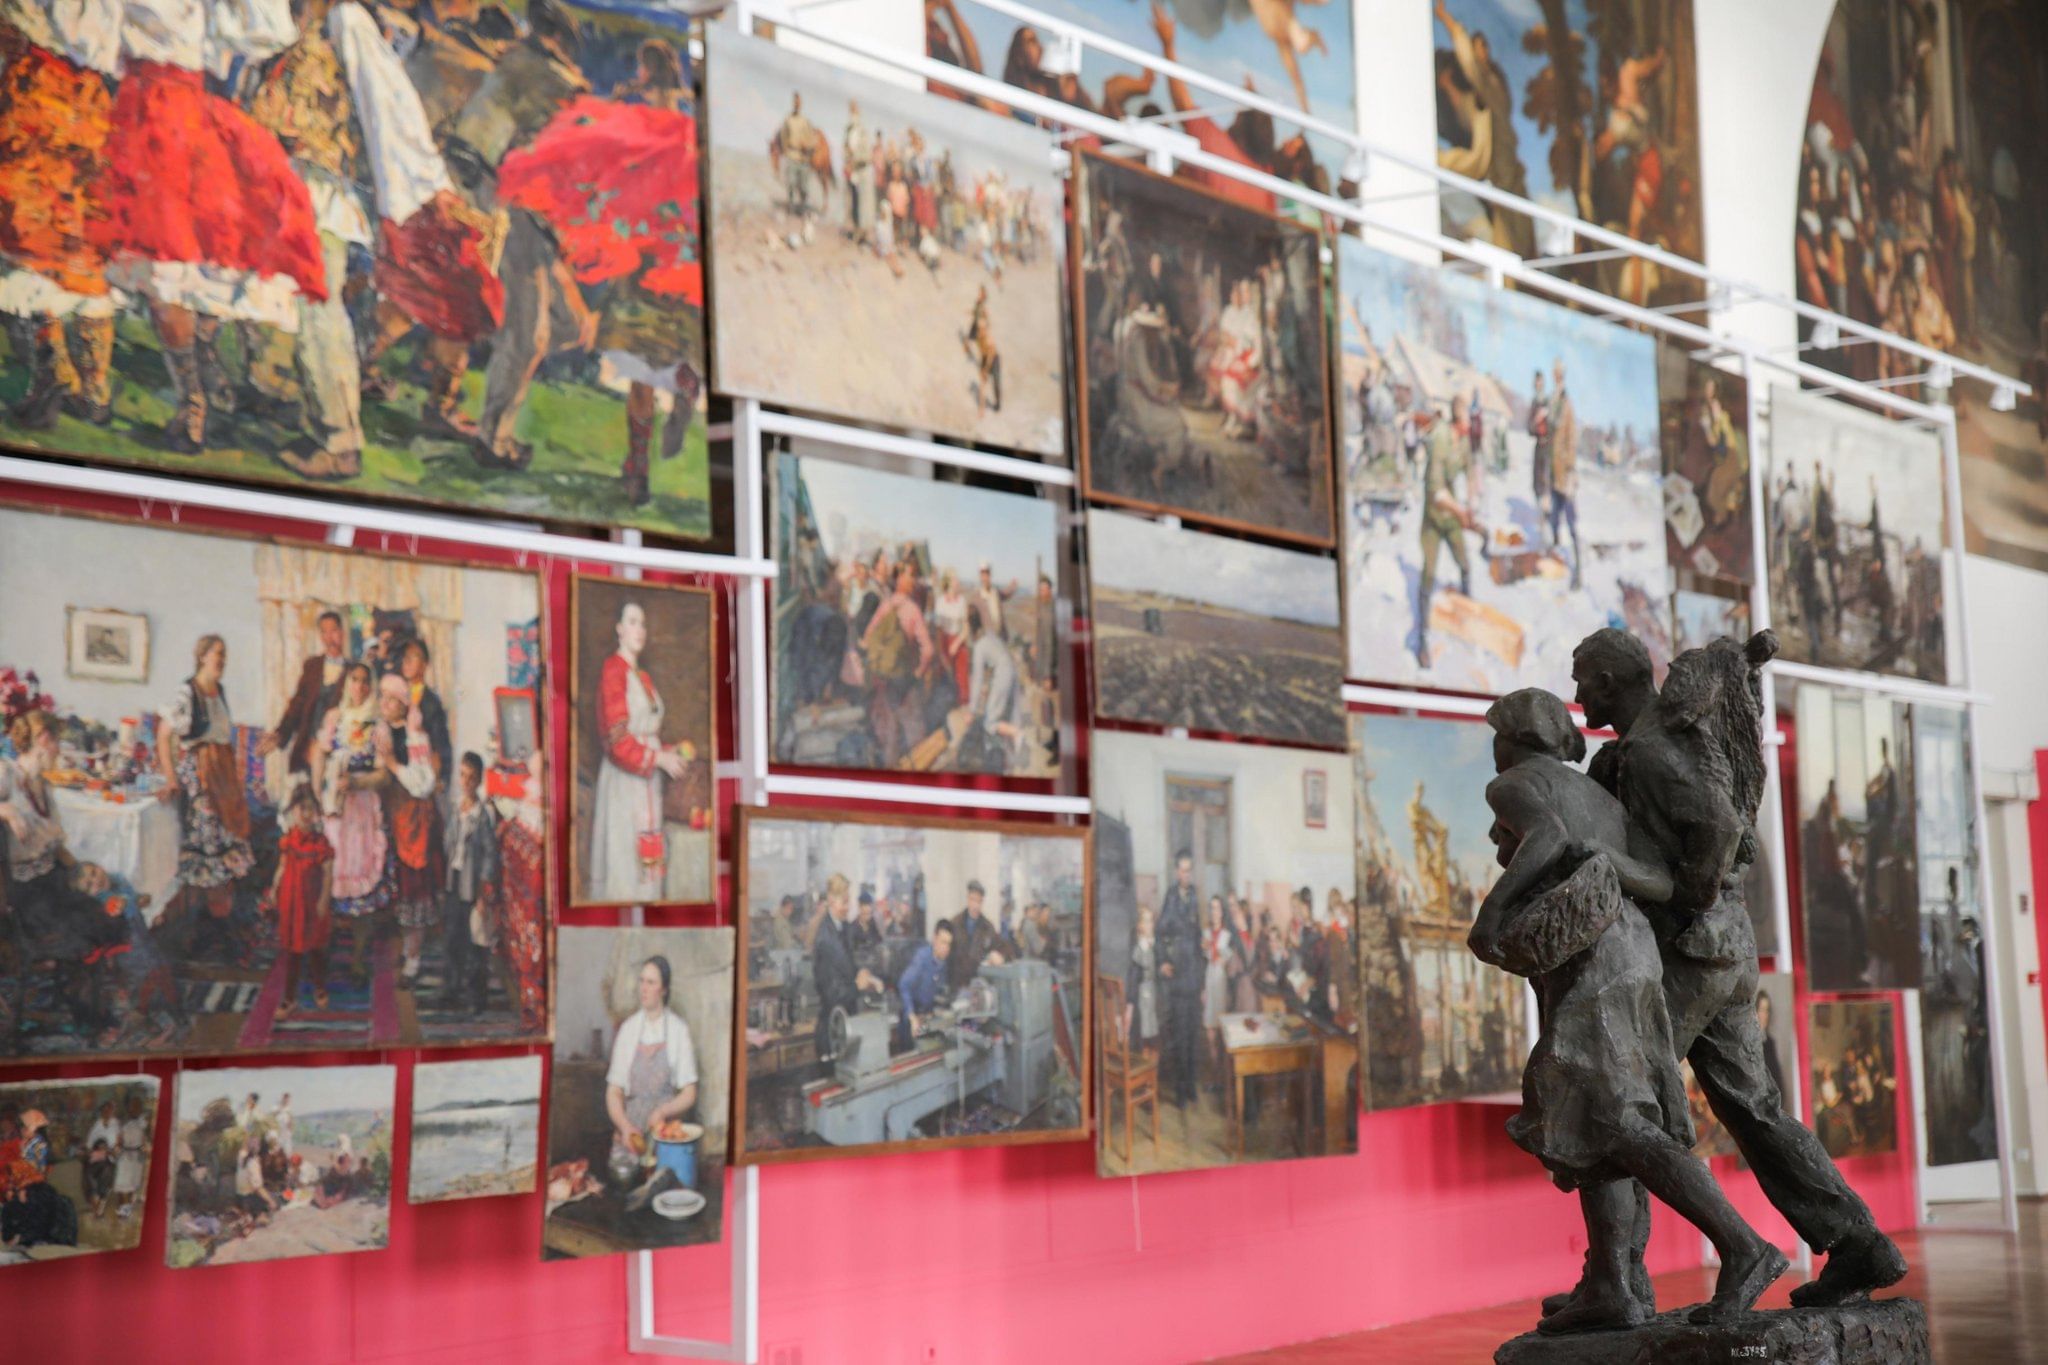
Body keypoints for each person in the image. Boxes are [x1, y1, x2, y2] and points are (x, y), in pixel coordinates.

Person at [1570, 628, 1908, 1311]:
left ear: (1608, 681)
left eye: (1582, 680)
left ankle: (1624, 1280)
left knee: (1614, 1097)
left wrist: (1685, 896)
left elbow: (1722, 828)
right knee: (1752, 1106)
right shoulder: (1648, 745)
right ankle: (1857, 1243)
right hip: (1724, 946)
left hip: (1694, 947)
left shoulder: (1653, 749)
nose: (1577, 694)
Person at [1472, 687, 1785, 1332]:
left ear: (1514, 738)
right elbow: (1659, 880)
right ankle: (1612, 1284)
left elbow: (1546, 836)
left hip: (1594, 960)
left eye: (1497, 735)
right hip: (1632, 949)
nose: (1494, 749)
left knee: (1616, 1119)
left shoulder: (1512, 784)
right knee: (1591, 1117)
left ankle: (1742, 1246)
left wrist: (1491, 914)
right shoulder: (1597, 796)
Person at [494, 37, 705, 503]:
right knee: (669, 352)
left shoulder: (636, 121)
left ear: (646, 71)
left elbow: (601, 161)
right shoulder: (690, 129)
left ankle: (637, 470)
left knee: (639, 369)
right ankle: (684, 382)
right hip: (681, 266)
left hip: (642, 265)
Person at [0, 711, 130, 1037]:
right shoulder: (6, 773)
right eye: (56, 742)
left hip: (52, 881)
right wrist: (7, 810)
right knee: (84, 927)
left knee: (108, 909)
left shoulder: (44, 786)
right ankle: (85, 1010)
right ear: (42, 740)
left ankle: (87, 1004)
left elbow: (57, 847)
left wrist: (81, 870)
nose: (59, 750)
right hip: (25, 895)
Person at [587, 599, 692, 904]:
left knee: (647, 859)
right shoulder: (613, 670)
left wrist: (672, 751)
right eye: (632, 622)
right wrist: (659, 758)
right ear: (619, 629)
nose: (640, 630)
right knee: (625, 865)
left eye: (643, 624)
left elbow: (647, 734)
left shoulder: (642, 676)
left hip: (647, 781)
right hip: (624, 782)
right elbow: (617, 739)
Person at [157, 635, 257, 937]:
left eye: (224, 654)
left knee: (227, 840)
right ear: (202, 656)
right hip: (201, 775)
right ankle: (199, 927)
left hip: (223, 774)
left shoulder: (219, 690)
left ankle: (220, 924)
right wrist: (171, 778)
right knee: (207, 846)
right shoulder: (188, 692)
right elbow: (164, 734)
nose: (222, 660)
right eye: (217, 654)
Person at [311, 662, 389, 977]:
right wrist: (319, 793)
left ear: (371, 686)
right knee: (331, 873)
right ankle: (325, 950)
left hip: (361, 809)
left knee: (360, 874)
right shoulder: (334, 718)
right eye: (354, 680)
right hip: (335, 810)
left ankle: (358, 957)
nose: (359, 686)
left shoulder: (378, 725)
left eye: (365, 681)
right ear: (347, 684)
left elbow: (383, 775)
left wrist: (357, 782)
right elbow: (319, 755)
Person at [606, 955, 700, 1206]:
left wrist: (662, 1111)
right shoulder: (628, 1029)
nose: (643, 988)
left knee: (663, 1193)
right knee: (623, 1194)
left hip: (663, 1134)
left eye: (651, 982)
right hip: (631, 1133)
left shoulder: (678, 1030)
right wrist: (625, 1127)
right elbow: (614, 1091)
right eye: (641, 981)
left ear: (664, 989)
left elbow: (689, 1092)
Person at [1413, 397, 1477, 668]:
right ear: (1457, 420)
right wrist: (1461, 512)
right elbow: (1437, 491)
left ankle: (1466, 612)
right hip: (1434, 515)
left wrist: (1472, 501)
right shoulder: (1439, 438)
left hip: (1452, 515)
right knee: (1429, 572)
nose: (1470, 423)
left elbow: (1470, 471)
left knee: (1465, 564)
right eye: (1467, 419)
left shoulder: (1463, 441)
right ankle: (1422, 638)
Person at [444, 752, 502, 1015]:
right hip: (454, 880)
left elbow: (489, 855)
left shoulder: (482, 815)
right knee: (452, 937)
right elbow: (448, 842)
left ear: (479, 781)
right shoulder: (456, 808)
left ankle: (476, 996)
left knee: (473, 943)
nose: (466, 782)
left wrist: (482, 893)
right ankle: (451, 988)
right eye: (463, 776)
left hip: (472, 884)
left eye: (472, 778)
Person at [262, 610, 353, 777]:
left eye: (333, 630)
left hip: (339, 749)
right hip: (308, 746)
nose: (329, 638)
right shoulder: (312, 666)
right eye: (324, 632)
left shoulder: (353, 670)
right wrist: (280, 735)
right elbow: (297, 704)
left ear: (342, 633)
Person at [271, 786, 336, 1017]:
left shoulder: (321, 843)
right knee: (293, 950)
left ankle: (320, 987)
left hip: (311, 902)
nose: (307, 814)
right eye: (302, 808)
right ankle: (289, 998)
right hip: (292, 901)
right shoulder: (288, 840)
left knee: (316, 947)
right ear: (293, 811)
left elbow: (328, 875)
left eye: (311, 809)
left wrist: (323, 900)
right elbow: (282, 867)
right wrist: (274, 889)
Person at [811, 874, 882, 1060]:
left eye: (848, 900)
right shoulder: (825, 940)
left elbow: (849, 966)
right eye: (844, 901)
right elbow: (831, 995)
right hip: (831, 1034)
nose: (848, 906)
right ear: (831, 901)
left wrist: (862, 973)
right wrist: (857, 986)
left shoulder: (844, 928)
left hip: (846, 1026)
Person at [1155, 851, 1205, 1110]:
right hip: (1177, 979)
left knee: (1193, 1036)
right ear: (1177, 872)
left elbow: (1199, 938)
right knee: (1179, 1036)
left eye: (1189, 870)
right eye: (1183, 870)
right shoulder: (1171, 897)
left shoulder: (1195, 896)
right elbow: (1159, 934)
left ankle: (1191, 1086)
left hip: (1194, 978)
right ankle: (1181, 1091)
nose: (1186, 875)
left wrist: (1203, 982)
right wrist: (1163, 961)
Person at [1, 1109, 77, 1250]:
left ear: (34, 1129)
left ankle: (26, 1238)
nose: (22, 1130)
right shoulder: (25, 1143)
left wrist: (22, 1187)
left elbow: (35, 1170)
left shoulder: (39, 1145)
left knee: (34, 1205)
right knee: (9, 1207)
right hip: (23, 1183)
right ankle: (13, 1237)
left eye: (25, 1127)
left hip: (35, 1184)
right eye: (22, 1127)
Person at [1546, 359, 1582, 589]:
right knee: (1554, 520)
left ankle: (1578, 570)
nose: (1556, 375)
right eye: (1554, 372)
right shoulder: (1553, 400)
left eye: (1559, 372)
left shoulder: (1566, 404)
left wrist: (1570, 469)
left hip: (1565, 474)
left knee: (1571, 523)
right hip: (1554, 471)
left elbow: (1571, 438)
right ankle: (1556, 559)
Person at [894, 920, 954, 1051]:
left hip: (926, 1015)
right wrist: (912, 1018)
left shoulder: (943, 963)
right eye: (943, 942)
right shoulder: (922, 958)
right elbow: (903, 985)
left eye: (949, 944)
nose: (946, 948)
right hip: (910, 1015)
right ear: (934, 939)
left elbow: (938, 990)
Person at [947, 879, 1005, 991]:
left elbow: (1000, 948)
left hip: (980, 984)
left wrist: (999, 956)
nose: (975, 905)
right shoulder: (955, 924)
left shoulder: (988, 927)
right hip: (957, 984)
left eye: (979, 901)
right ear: (968, 899)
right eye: (973, 900)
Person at [1123, 904, 1162, 1054]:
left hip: (1154, 992)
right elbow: (1133, 978)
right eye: (1146, 921)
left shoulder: (1154, 944)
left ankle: (1153, 1059)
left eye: (1151, 921)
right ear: (1139, 926)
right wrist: (1130, 1005)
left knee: (1156, 1029)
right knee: (1146, 1031)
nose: (1150, 925)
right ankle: (1146, 1058)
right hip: (1143, 994)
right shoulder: (1139, 948)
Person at [113, 1094, 150, 1219]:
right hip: (124, 1156)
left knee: (132, 1186)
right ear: (128, 1107)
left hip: (137, 1157)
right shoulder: (122, 1123)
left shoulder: (142, 1123)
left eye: (138, 1106)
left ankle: (125, 1211)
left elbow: (144, 1139)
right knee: (122, 1184)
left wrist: (145, 1149)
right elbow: (118, 1141)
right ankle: (122, 1210)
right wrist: (117, 1150)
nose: (135, 1108)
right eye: (133, 1106)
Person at [84, 1102, 120, 1218]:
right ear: (101, 1112)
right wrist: (95, 1151)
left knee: (106, 1179)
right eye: (105, 1110)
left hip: (109, 1159)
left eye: (110, 1110)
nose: (107, 1112)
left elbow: (118, 1142)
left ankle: (100, 1207)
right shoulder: (97, 1125)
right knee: (92, 1180)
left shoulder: (115, 1124)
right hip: (95, 1159)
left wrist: (113, 1150)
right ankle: (96, 1207)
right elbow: (89, 1144)